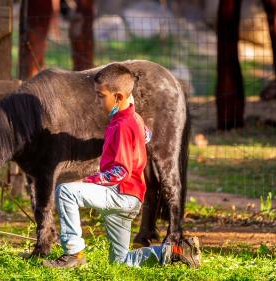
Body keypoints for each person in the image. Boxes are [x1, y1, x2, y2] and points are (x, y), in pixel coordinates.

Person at [43, 63, 201, 268]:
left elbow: (120, 171)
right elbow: (147, 136)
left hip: (121, 195)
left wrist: (86, 180)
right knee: (121, 261)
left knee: (65, 191)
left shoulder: (122, 127)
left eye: (101, 96)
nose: (97, 101)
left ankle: (73, 253)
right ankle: (175, 252)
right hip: (130, 198)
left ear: (118, 97)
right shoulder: (132, 118)